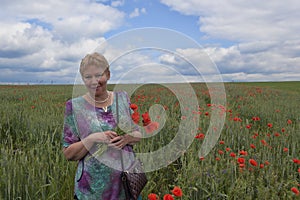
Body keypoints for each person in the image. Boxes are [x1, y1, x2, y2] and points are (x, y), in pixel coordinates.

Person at [62, 52, 142, 199]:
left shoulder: (122, 98)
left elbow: (138, 134)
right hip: (92, 190)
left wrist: (126, 139)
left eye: (99, 75)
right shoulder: (74, 106)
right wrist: (92, 139)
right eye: (88, 77)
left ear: (108, 75)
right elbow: (68, 153)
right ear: (83, 79)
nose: (94, 81)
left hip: (126, 186)